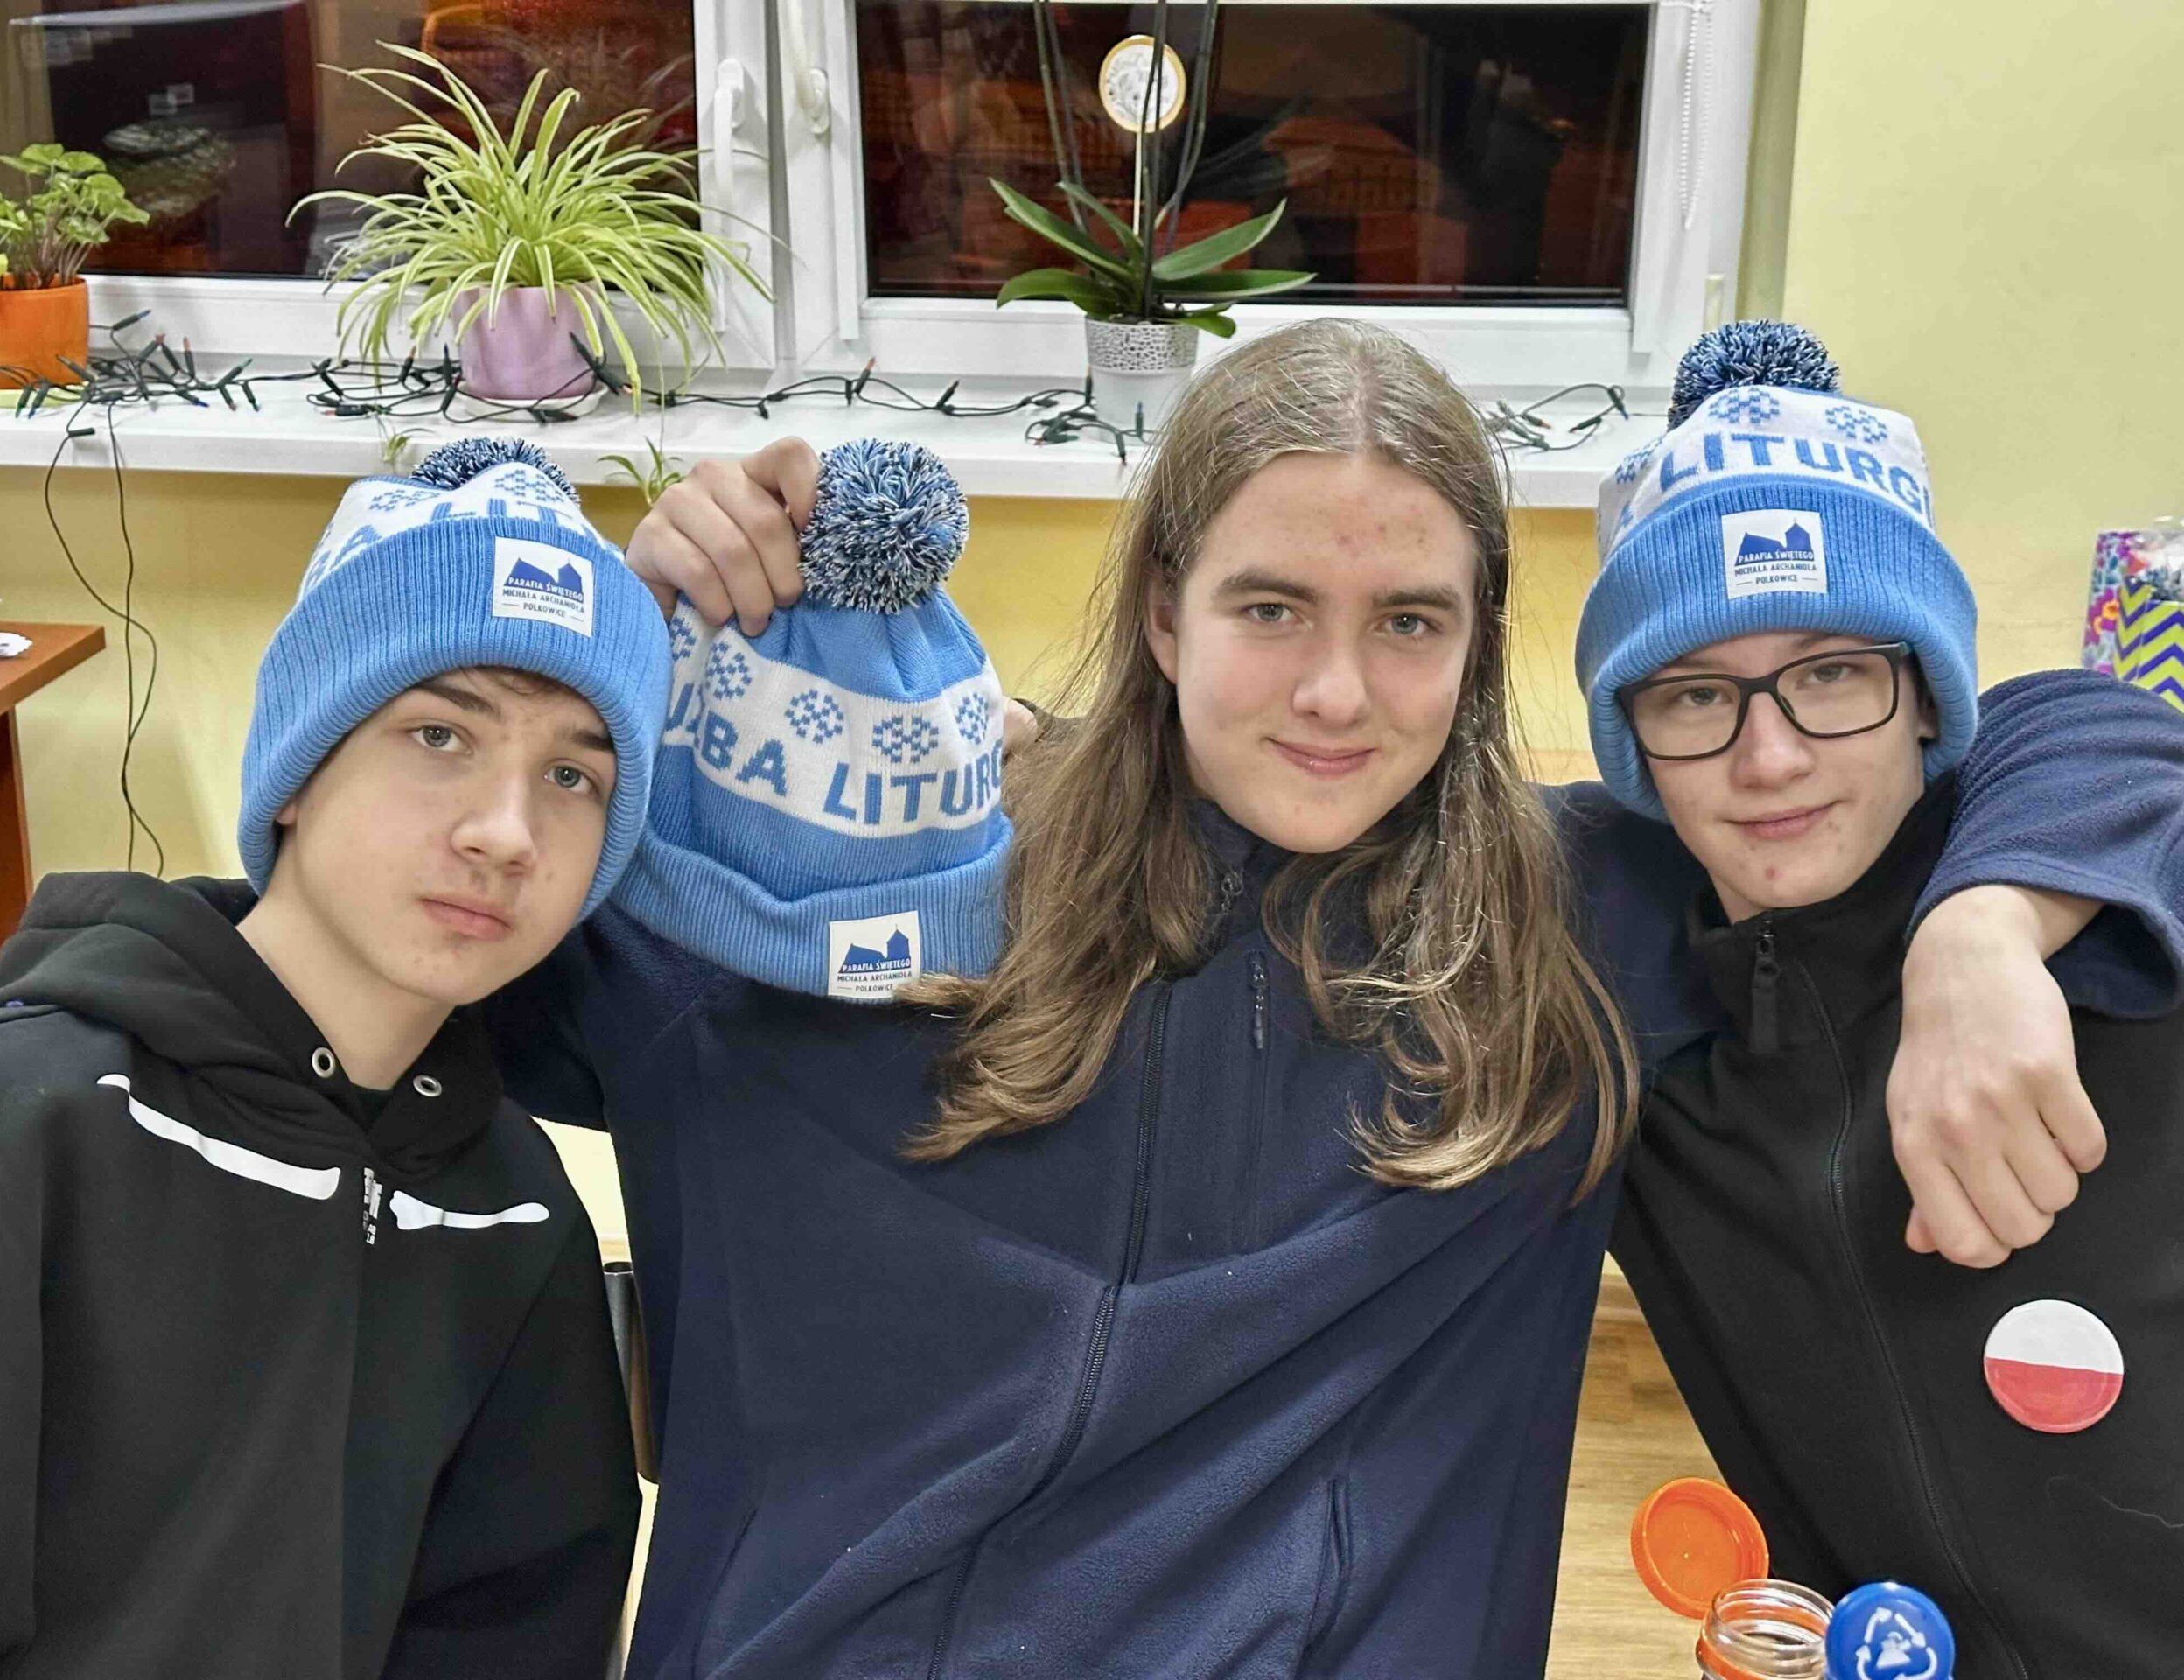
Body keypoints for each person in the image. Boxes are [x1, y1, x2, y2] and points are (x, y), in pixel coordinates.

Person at [494, 322, 2184, 1679]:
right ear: (1165, 615)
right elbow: (442, 941)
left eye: (1409, 623)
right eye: (1272, 609)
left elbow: (2069, 727)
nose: (1334, 692)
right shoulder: (885, 887)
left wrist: (1984, 928)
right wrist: (624, 676)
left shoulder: (1583, 922)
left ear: (1478, 647)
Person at [0, 439, 668, 1680]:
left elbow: (519, 1632)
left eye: (572, 775)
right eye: (439, 734)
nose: (507, 832)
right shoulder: (19, 1127)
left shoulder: (513, 1211)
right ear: (295, 772)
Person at [1579, 324, 2184, 1677]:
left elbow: (2111, 726)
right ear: (1635, 745)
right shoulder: (1629, 1009)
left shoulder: (2111, 924)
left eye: (1833, 674)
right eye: (1695, 695)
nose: (1770, 757)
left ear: (1925, 695)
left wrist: (1982, 930)